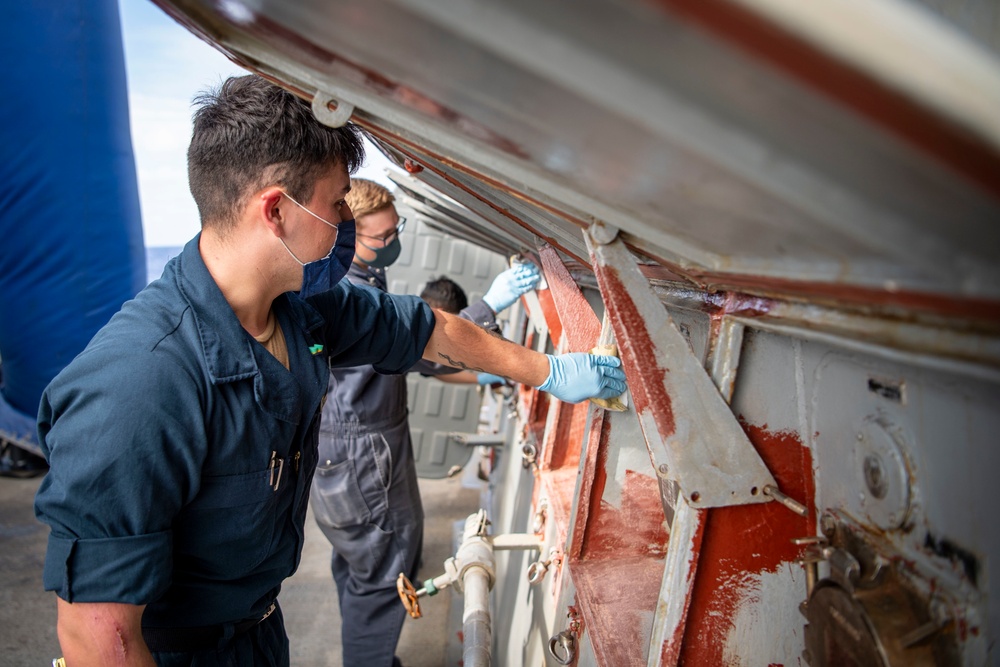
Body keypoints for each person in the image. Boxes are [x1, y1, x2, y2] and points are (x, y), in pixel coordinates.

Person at [32, 74, 626, 667]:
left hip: (260, 630)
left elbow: (431, 329)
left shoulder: (300, 309)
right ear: (276, 210)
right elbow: (98, 641)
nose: (346, 217)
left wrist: (548, 369)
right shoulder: (138, 384)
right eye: (337, 200)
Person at [310, 179, 540, 667]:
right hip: (364, 458)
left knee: (361, 569)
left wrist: (481, 373)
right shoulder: (349, 288)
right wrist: (487, 309)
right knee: (385, 574)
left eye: (397, 231)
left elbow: (406, 356)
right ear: (345, 233)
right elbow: (417, 344)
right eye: (382, 236)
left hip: (343, 456)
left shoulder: (357, 278)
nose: (392, 243)